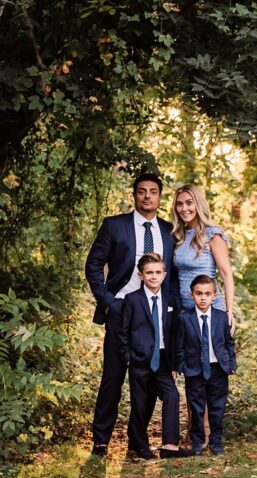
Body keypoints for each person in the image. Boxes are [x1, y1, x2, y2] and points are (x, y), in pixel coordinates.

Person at [84, 172, 179, 457]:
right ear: (134, 195)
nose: (147, 195)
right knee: (113, 377)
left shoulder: (169, 231)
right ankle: (101, 440)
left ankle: (137, 441)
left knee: (147, 382)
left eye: (153, 191)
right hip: (122, 308)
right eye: (142, 191)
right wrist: (109, 302)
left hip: (153, 313)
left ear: (160, 197)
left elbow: (171, 275)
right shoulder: (115, 226)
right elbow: (93, 265)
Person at [118, 253, 192, 459]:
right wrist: (128, 357)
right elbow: (123, 332)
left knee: (172, 396)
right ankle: (140, 445)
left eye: (158, 272)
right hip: (140, 360)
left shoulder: (171, 300)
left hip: (164, 362)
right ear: (141, 275)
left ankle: (170, 446)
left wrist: (175, 364)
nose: (153, 276)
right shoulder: (132, 300)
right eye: (149, 272)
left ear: (164, 274)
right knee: (140, 402)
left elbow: (176, 334)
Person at [177, 274, 237, 456]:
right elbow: (179, 345)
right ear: (191, 294)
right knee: (196, 408)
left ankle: (216, 442)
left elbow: (229, 343)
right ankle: (197, 442)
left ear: (214, 296)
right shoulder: (184, 318)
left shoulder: (221, 317)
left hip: (218, 368)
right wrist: (182, 366)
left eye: (207, 294)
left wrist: (231, 363)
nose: (203, 298)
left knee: (217, 406)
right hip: (194, 370)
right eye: (199, 293)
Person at [171, 184, 235, 333]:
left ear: (198, 204)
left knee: (212, 355)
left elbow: (226, 274)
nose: (184, 208)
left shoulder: (212, 234)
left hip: (210, 310)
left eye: (189, 202)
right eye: (179, 204)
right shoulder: (180, 235)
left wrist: (229, 311)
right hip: (186, 312)